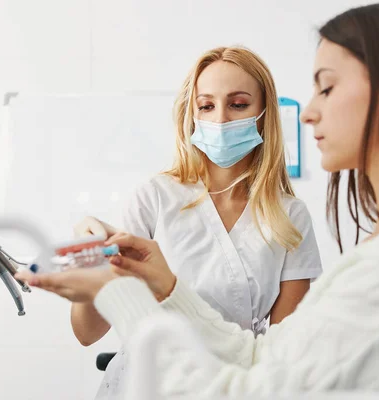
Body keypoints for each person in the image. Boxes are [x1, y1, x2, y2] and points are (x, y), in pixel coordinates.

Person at [17, 1, 379, 396]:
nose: (308, 112)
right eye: (206, 106)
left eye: (327, 87)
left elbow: (252, 390)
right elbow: (262, 358)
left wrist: (116, 292)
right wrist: (163, 286)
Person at [70, 46, 322, 398]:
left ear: (264, 114)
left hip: (233, 384)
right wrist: (92, 260)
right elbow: (87, 332)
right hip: (145, 384)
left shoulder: (289, 216)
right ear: (191, 113)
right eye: (206, 105)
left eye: (238, 104)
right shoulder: (155, 198)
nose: (219, 120)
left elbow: (286, 350)